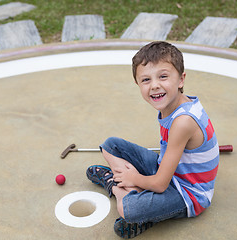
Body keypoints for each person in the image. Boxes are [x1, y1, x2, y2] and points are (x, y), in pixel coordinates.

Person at [86, 41, 219, 238]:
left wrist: (133, 178)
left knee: (129, 210)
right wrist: (140, 180)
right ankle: (139, 196)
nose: (155, 85)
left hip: (188, 194)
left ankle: (116, 186)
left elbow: (160, 185)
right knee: (110, 145)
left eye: (163, 76)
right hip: (169, 172)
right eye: (146, 80)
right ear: (138, 84)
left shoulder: (183, 121)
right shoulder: (171, 105)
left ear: (181, 79)